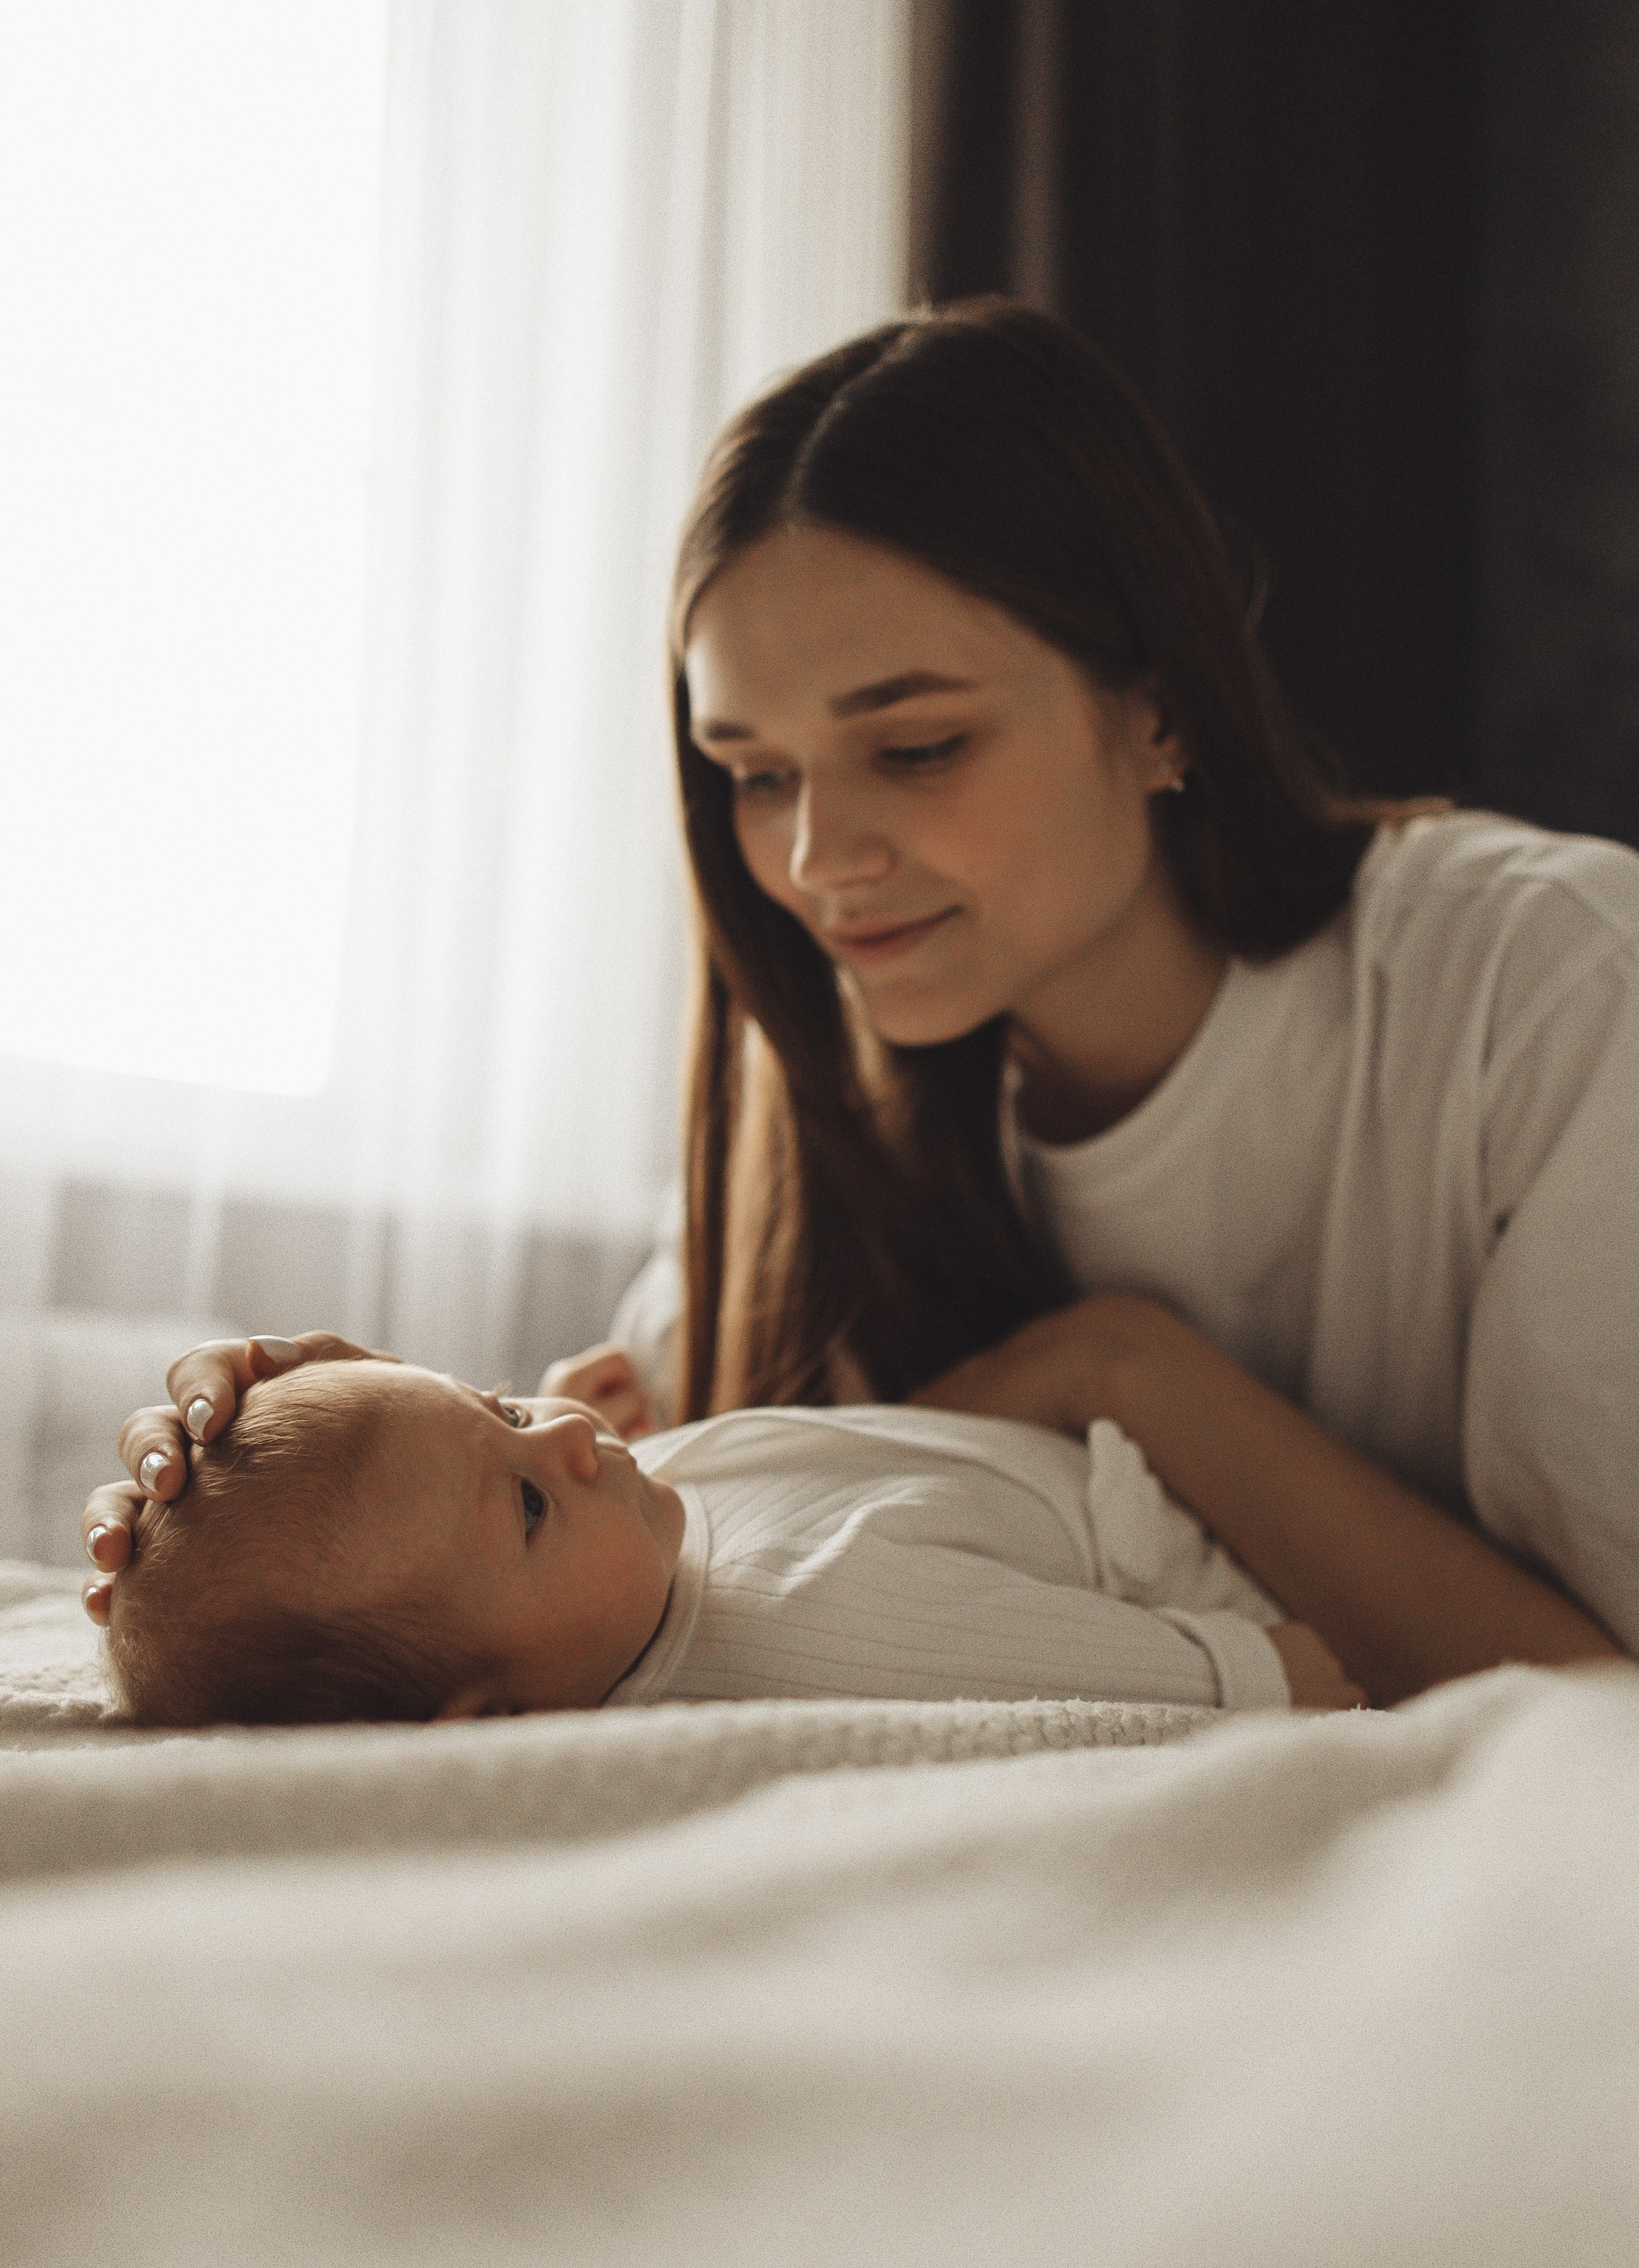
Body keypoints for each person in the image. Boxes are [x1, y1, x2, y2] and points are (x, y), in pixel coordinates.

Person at [85, 300, 1638, 1708]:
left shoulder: (1551, 985)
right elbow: (599, 1565)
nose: (817, 864)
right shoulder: (839, 1087)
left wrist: (1126, 1373)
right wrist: (365, 1420)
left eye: (914, 749)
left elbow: (1599, 1696)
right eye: (755, 776)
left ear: (1160, 707)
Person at [102, 1356, 1364, 1726]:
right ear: (495, 1724)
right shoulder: (840, 1632)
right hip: (1244, 1552)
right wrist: (1346, 1657)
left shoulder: (625, 1555)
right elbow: (1235, 1682)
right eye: (528, 1501)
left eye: (502, 1410)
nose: (572, 1438)